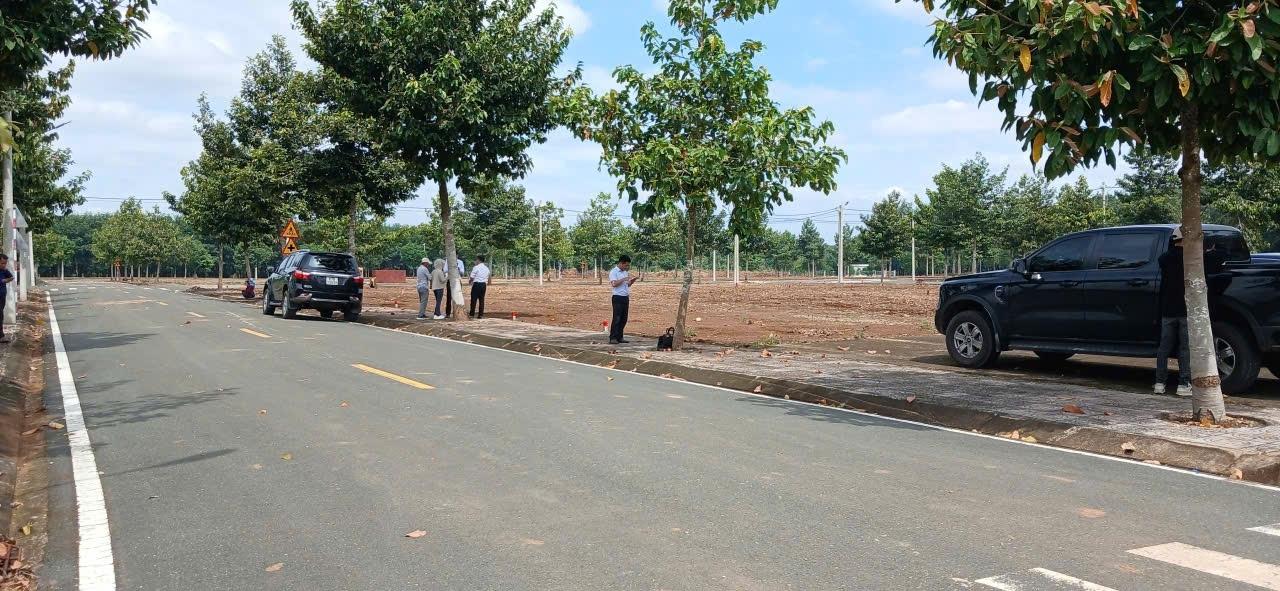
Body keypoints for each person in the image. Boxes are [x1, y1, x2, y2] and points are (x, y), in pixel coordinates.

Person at [1155, 227, 1225, 396]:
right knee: (1185, 349)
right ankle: (1183, 384)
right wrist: (1209, 250)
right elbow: (1219, 257)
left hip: (1167, 310)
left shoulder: (1164, 259)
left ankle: (1159, 383)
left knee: (1163, 349)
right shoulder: (1192, 258)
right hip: (1186, 310)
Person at [608, 254, 638, 345]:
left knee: (624, 319)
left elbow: (627, 285)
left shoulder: (625, 272)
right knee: (617, 318)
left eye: (628, 265)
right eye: (626, 265)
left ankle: (620, 337)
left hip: (625, 297)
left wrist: (632, 280)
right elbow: (614, 284)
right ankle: (613, 337)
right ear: (621, 263)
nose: (627, 267)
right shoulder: (614, 272)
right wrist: (623, 279)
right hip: (617, 297)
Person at [0, 255, 12, 343]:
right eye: (2, 263)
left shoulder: (4, 271)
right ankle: (1, 336)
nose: (4, 265)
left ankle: (1, 336)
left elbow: (11, 277)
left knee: (1, 315)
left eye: (5, 263)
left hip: (2, 297)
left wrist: (5, 280)